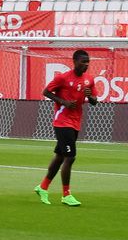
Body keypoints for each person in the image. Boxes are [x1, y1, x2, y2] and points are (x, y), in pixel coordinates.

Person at [35, 49, 97, 206]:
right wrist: (63, 102)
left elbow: (95, 101)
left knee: (60, 156)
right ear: (75, 61)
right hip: (62, 121)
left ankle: (43, 187)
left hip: (76, 122)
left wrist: (90, 96)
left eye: (88, 62)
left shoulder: (89, 80)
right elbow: (46, 92)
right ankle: (66, 195)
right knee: (70, 157)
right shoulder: (63, 78)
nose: (86, 64)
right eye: (83, 61)